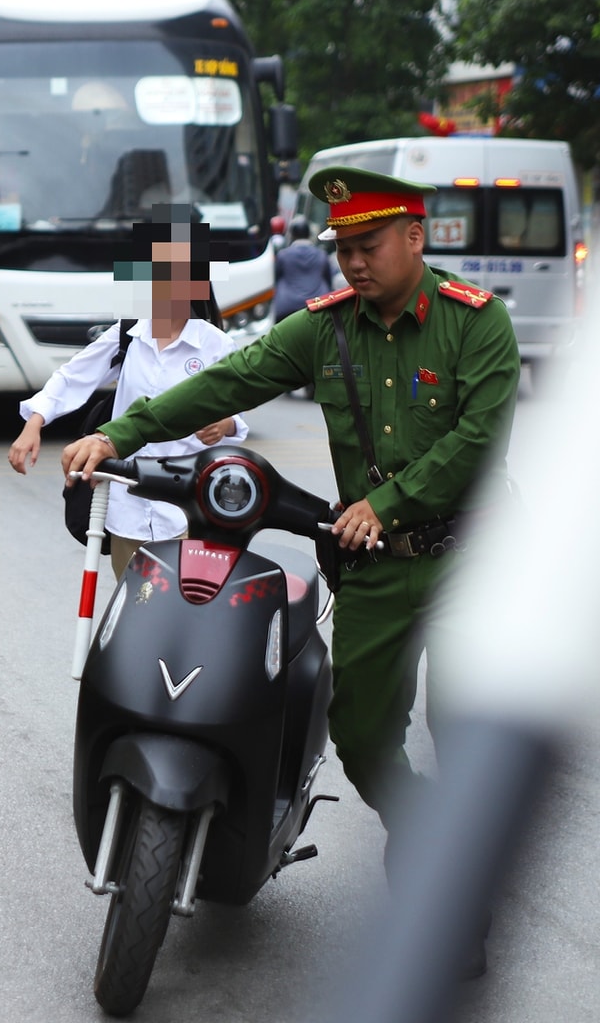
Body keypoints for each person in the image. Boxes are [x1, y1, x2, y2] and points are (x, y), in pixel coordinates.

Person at [60, 166, 521, 975]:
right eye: (341, 248)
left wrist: (388, 502)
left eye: (368, 245)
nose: (352, 263)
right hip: (376, 568)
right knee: (362, 737)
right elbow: (227, 382)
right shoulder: (327, 328)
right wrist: (121, 434)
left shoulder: (477, 326)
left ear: (416, 236)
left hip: (470, 563)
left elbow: (476, 444)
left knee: (456, 726)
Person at [8, 207, 245, 577]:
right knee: (132, 605)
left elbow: (238, 412)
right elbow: (73, 376)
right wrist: (33, 423)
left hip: (188, 506)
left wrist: (226, 424)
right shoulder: (127, 334)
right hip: (128, 503)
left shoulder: (216, 345)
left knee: (185, 607)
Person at [273, 214, 338, 319]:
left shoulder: (283, 255)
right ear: (309, 234)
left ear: (292, 235)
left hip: (287, 308)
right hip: (318, 306)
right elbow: (329, 280)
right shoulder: (321, 254)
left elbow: (275, 279)